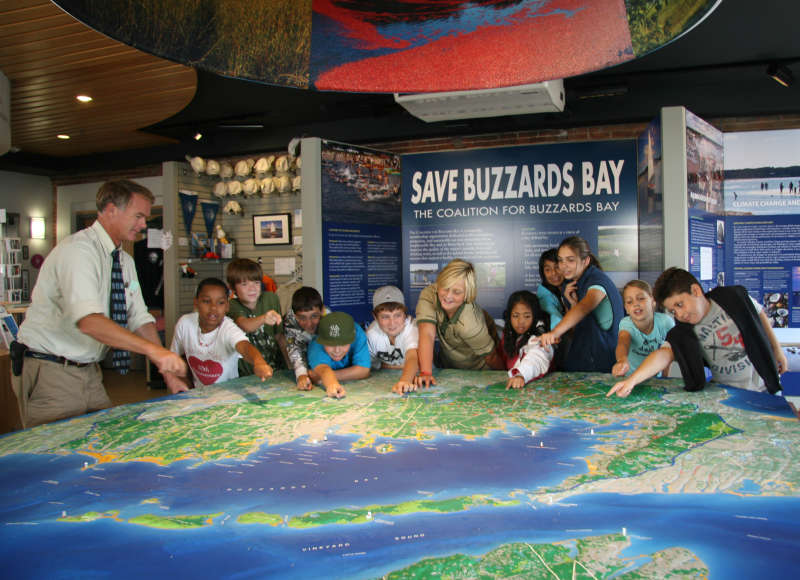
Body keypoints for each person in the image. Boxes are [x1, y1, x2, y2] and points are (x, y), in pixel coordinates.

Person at [13, 180, 186, 428]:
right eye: (138, 216)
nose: (144, 225)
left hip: (89, 371)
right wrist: (153, 351)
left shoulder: (124, 261)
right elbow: (90, 322)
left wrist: (167, 372)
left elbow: (139, 316)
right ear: (111, 210)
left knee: (103, 441)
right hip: (51, 368)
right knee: (60, 455)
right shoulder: (79, 252)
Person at [607, 268, 788, 398]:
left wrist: (776, 349)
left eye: (680, 304)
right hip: (727, 392)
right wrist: (632, 380)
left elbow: (759, 313)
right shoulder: (683, 331)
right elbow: (663, 355)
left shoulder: (732, 297)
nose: (680, 314)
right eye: (673, 311)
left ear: (695, 291)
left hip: (765, 386)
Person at [164, 278, 273, 393]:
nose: (213, 308)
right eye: (206, 301)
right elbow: (175, 357)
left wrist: (259, 362)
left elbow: (244, 346)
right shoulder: (184, 323)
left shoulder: (228, 328)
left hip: (229, 396)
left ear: (227, 306)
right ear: (196, 302)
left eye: (220, 303)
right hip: (199, 395)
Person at [539, 236, 624, 372]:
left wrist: (554, 333)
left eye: (570, 260)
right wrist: (572, 303)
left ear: (586, 261)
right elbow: (575, 325)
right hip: (584, 356)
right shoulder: (573, 284)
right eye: (561, 260)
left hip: (603, 359)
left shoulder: (596, 281)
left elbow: (584, 307)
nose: (563, 266)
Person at [415, 259, 502, 388]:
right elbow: (426, 332)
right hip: (448, 370)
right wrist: (426, 372)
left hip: (479, 375)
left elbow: (491, 357)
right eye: (445, 288)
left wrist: (505, 375)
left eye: (456, 292)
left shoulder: (471, 324)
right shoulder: (428, 294)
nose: (448, 296)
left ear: (467, 293)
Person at [226, 258, 287, 376]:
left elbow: (279, 336)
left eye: (256, 282)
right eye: (244, 284)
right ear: (233, 288)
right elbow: (244, 325)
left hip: (275, 370)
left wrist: (290, 366)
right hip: (246, 374)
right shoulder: (232, 305)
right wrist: (264, 318)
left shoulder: (271, 298)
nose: (252, 288)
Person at [612, 280, 675, 377]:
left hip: (654, 379)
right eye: (629, 302)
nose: (635, 304)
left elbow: (669, 352)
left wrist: (665, 376)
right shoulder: (626, 323)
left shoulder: (665, 322)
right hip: (631, 378)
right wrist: (621, 360)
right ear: (626, 309)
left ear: (653, 301)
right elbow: (623, 342)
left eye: (641, 298)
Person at [366, 285, 420, 394]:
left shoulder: (412, 327)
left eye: (397, 315)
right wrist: (395, 366)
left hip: (416, 378)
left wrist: (405, 381)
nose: (392, 323)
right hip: (384, 381)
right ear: (375, 317)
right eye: (385, 317)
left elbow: (413, 358)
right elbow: (366, 365)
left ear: (405, 314)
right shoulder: (372, 334)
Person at [307, 311, 370, 399]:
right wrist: (331, 384)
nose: (337, 350)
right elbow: (323, 369)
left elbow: (363, 370)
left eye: (343, 344)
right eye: (330, 344)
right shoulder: (317, 343)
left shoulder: (357, 333)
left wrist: (322, 378)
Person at [283, 286, 330, 391]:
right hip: (301, 356)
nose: (309, 324)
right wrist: (301, 375)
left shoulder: (329, 318)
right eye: (302, 318)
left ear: (321, 311)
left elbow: (333, 347)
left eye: (314, 316)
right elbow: (294, 348)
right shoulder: (290, 321)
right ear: (295, 316)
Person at [495, 290, 549, 370]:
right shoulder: (507, 333)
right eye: (515, 316)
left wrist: (521, 375)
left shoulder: (540, 337)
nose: (520, 322)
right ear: (509, 316)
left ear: (535, 317)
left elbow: (536, 362)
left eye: (527, 316)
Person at [536, 249, 565, 330]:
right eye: (548, 270)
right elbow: (558, 324)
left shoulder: (567, 287)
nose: (554, 273)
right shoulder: (545, 296)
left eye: (557, 267)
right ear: (543, 273)